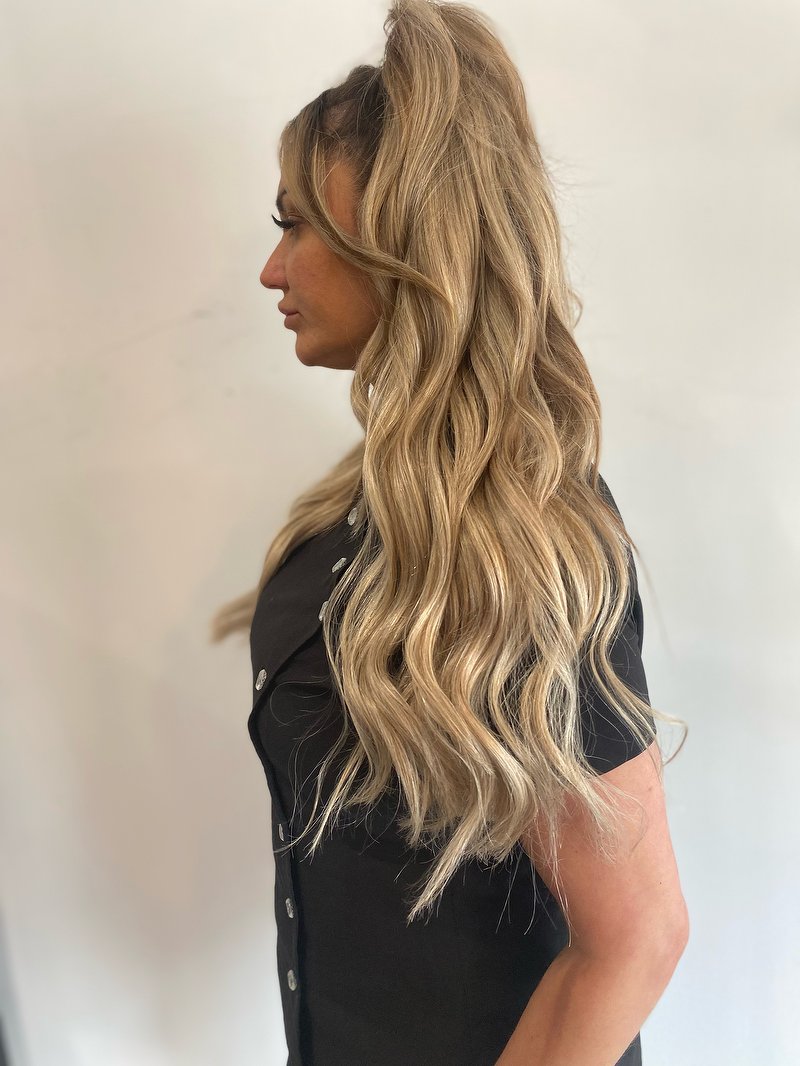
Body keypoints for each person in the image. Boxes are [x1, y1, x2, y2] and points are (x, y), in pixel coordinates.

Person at [211, 2, 689, 1063]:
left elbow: (638, 940)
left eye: (296, 225)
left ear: (397, 243)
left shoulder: (519, 533)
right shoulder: (370, 505)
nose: (272, 271)